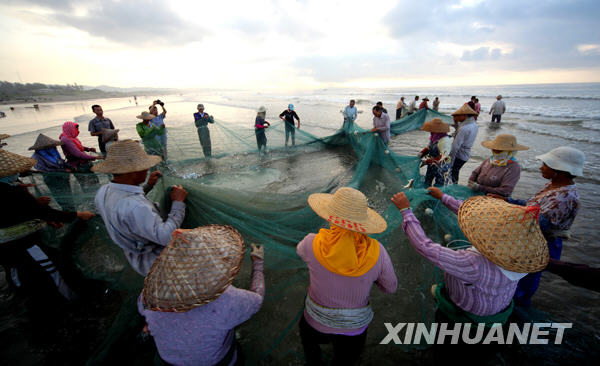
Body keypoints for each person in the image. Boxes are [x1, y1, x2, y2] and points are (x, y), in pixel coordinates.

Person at [391, 189, 547, 363]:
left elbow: (425, 247)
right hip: (498, 317)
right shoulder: (523, 257)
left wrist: (406, 211)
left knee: (451, 354)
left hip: (465, 323)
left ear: (490, 235)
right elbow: (473, 216)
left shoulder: (473, 263)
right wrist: (444, 198)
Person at [298, 187, 397, 365]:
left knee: (312, 356)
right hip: (354, 328)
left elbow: (301, 252)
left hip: (314, 322)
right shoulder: (377, 252)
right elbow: (390, 288)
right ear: (363, 223)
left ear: (330, 217)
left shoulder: (311, 243)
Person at [139, 226, 264, 366]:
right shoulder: (227, 300)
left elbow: (143, 309)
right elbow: (257, 299)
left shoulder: (152, 292)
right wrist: (258, 263)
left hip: (169, 360)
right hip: (215, 362)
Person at [489, 146, 585, 307]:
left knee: (524, 281)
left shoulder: (564, 197)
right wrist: (507, 201)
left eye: (546, 164)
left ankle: (514, 310)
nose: (541, 167)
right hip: (530, 239)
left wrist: (505, 212)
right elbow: (531, 205)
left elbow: (536, 222)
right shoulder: (553, 185)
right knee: (516, 275)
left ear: (558, 170)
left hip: (541, 243)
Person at [0, 148, 95, 304]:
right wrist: (77, 215)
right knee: (50, 267)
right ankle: (68, 298)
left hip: (5, 246)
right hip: (25, 242)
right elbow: (42, 212)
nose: (16, 174)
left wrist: (36, 208)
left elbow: (16, 212)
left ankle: (23, 294)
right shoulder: (14, 192)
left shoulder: (11, 190)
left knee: (15, 268)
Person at [93, 139, 188, 276]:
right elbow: (166, 236)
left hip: (134, 257)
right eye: (145, 167)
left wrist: (147, 186)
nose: (148, 169)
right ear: (134, 172)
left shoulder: (103, 191)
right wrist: (178, 203)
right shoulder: (136, 207)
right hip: (158, 264)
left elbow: (127, 206)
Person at [28, 134, 75, 210]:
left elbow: (61, 161)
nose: (52, 147)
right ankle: (67, 212)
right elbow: (44, 170)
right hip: (52, 180)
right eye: (49, 146)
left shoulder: (53, 152)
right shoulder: (36, 157)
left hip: (64, 177)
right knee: (61, 198)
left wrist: (69, 166)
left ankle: (73, 211)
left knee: (69, 195)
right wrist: (63, 170)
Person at [448, 104, 478, 184]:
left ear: (464, 115)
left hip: (460, 154)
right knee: (456, 171)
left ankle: (453, 187)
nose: (457, 118)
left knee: (453, 172)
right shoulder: (474, 125)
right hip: (466, 153)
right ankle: (454, 186)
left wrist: (450, 160)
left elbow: (455, 146)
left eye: (458, 116)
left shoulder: (464, 128)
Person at [419, 118, 452, 187]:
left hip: (442, 166)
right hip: (432, 164)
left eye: (432, 130)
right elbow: (429, 147)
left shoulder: (444, 141)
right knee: (427, 181)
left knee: (440, 184)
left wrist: (429, 161)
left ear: (437, 130)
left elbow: (444, 156)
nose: (430, 131)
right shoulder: (433, 138)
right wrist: (422, 153)